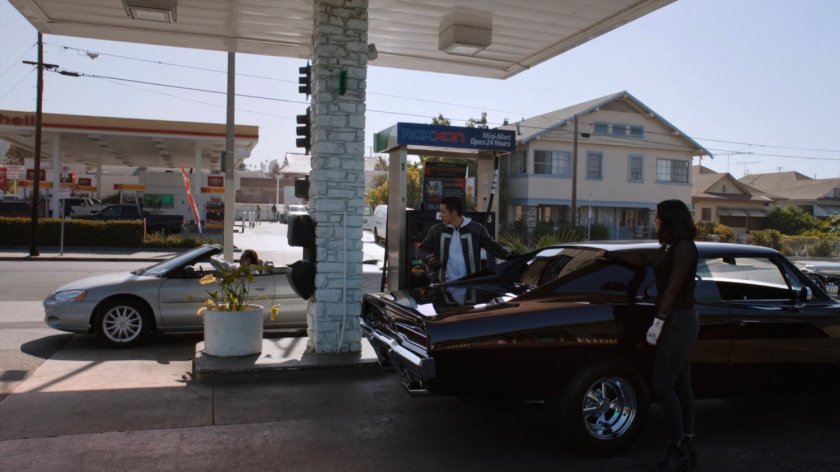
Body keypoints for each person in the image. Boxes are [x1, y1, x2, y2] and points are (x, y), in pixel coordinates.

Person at [647, 199, 699, 472]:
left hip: (678, 320)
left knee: (663, 385)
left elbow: (674, 288)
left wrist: (658, 322)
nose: (655, 220)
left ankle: (678, 447)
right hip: (677, 319)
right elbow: (647, 262)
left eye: (658, 216)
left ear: (669, 219)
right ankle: (687, 445)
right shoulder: (671, 247)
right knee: (680, 384)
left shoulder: (684, 248)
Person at [417, 196, 516, 284]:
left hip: (470, 285)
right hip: (443, 285)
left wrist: (510, 256)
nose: (440, 215)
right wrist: (429, 257)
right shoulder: (436, 231)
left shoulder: (477, 230)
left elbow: (494, 248)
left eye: (443, 212)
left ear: (454, 213)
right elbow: (422, 250)